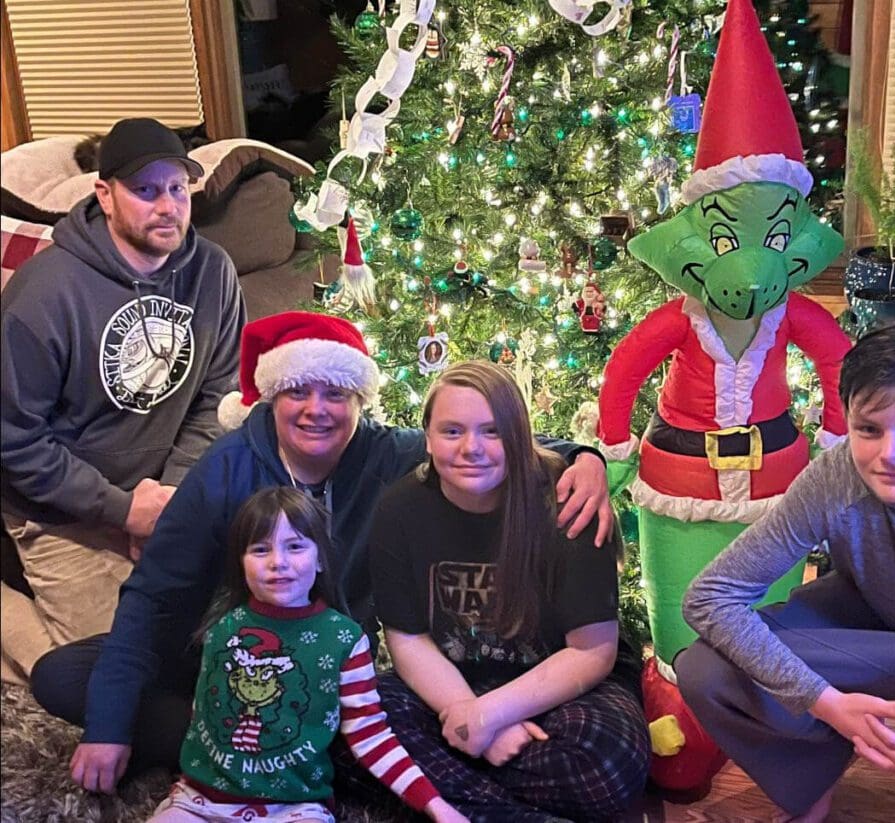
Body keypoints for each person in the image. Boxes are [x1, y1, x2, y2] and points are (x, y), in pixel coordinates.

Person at [32, 311, 612, 796]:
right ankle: (231, 733)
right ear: (272, 397)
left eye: (335, 393)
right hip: (221, 648)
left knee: (362, 720)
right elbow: (154, 599)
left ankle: (262, 735)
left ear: (358, 400)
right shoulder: (226, 468)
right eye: (298, 392)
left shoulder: (388, 454)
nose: (317, 409)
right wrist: (108, 728)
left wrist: (585, 458)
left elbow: (484, 441)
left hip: (322, 664)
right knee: (63, 677)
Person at [675, 319, 895, 822]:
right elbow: (710, 597)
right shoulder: (835, 477)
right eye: (869, 429)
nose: (891, 455)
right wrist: (824, 702)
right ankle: (809, 781)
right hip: (876, 639)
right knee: (708, 672)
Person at [1, 117, 245, 687]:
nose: (167, 206)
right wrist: (122, 510)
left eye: (178, 188)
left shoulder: (213, 272)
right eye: (145, 190)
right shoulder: (44, 293)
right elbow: (15, 440)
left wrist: (169, 501)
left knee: (229, 637)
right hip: (58, 509)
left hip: (165, 493)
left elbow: (217, 397)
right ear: (105, 195)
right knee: (105, 677)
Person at [365, 361, 650, 821]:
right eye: (452, 431)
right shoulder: (398, 509)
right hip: (449, 684)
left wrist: (487, 716)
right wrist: (471, 717)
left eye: (492, 432)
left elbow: (591, 652)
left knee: (601, 767)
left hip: (562, 687)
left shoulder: (568, 502)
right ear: (428, 438)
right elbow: (407, 639)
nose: (471, 448)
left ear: (518, 436)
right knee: (361, 720)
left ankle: (447, 801)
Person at [145, 486, 465, 823]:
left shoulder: (344, 640)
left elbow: (369, 734)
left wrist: (436, 806)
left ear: (321, 558)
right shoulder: (221, 628)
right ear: (240, 562)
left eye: (295, 546)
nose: (278, 562)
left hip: (294, 808)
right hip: (199, 801)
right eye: (260, 549)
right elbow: (204, 713)